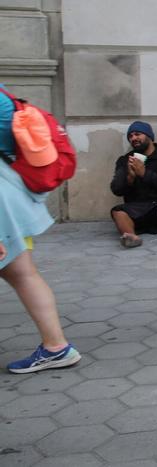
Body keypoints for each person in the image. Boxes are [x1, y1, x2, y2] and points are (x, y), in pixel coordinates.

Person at [0, 83, 81, 374]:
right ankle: (56, 347)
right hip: (13, 197)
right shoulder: (4, 96)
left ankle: (56, 346)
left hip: (4, 203)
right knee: (23, 274)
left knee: (23, 274)